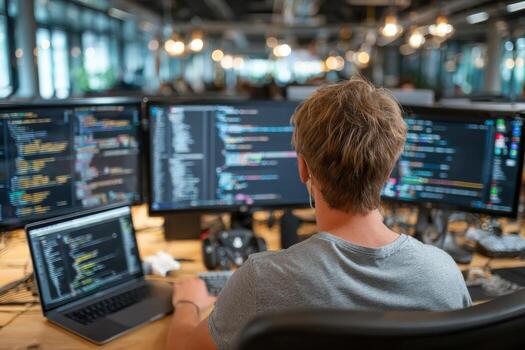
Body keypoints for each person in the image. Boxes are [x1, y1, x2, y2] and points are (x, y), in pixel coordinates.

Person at [166, 77, 472, 350]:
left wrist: (187, 304)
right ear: (390, 169)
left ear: (303, 168)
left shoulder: (264, 279)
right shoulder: (444, 274)